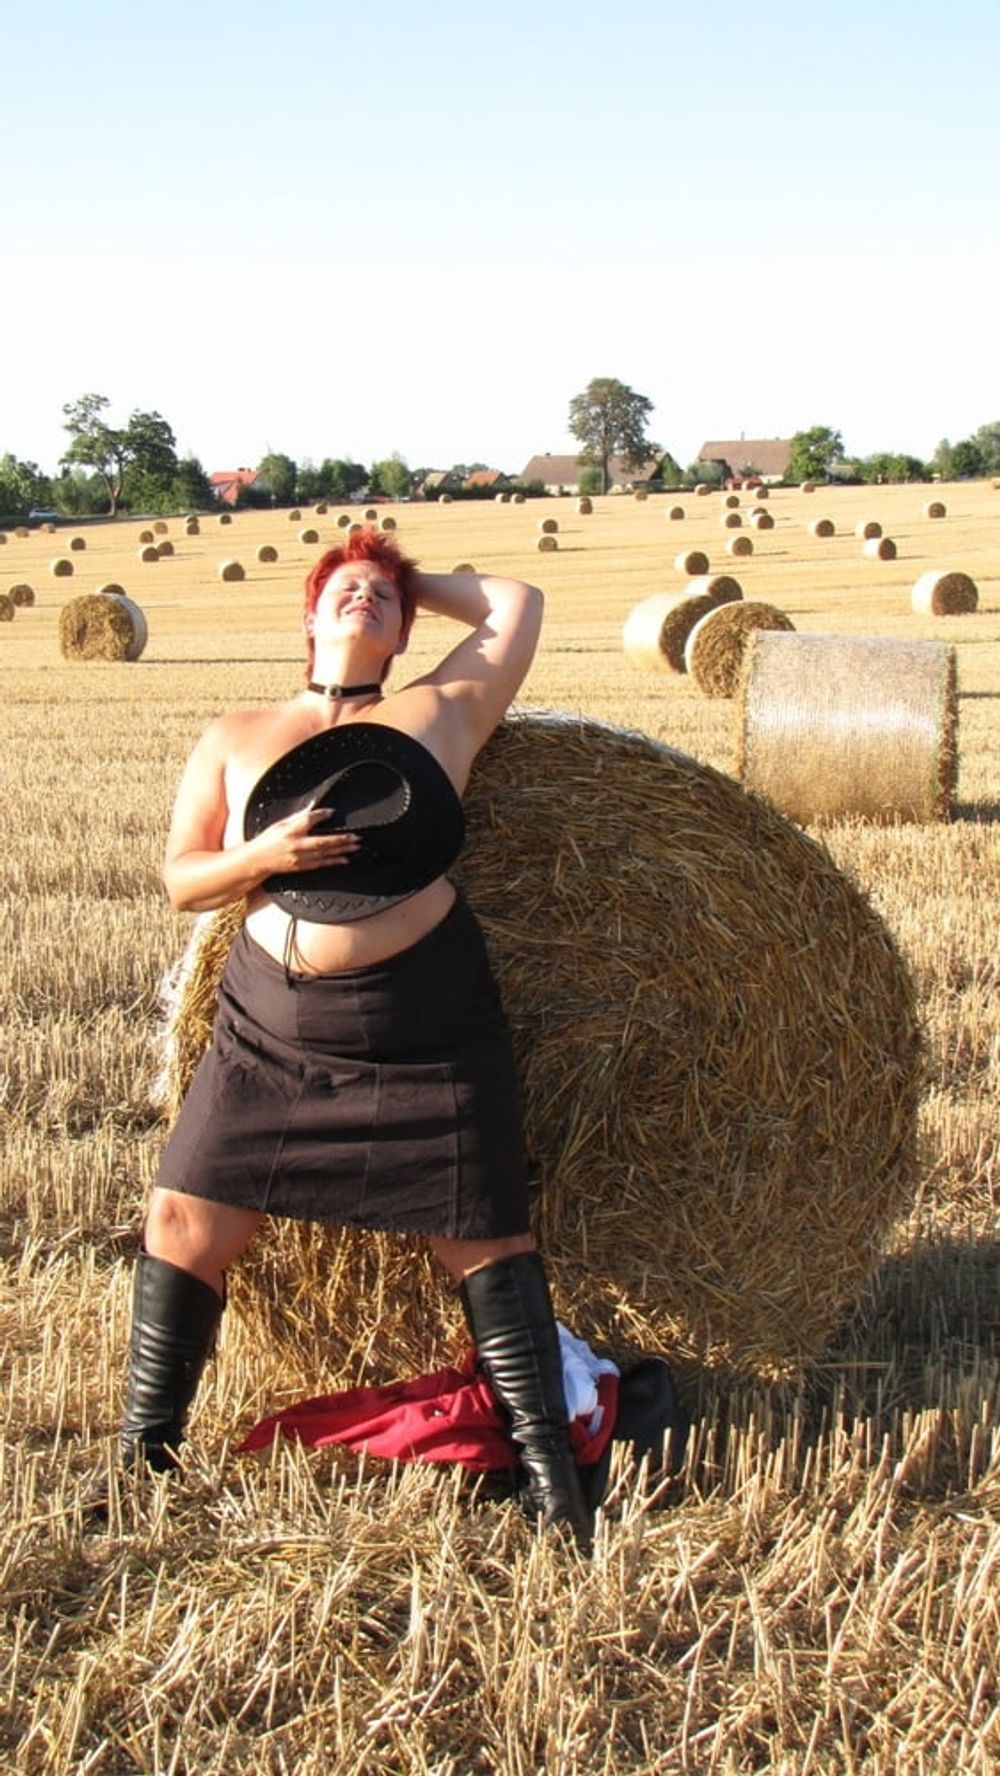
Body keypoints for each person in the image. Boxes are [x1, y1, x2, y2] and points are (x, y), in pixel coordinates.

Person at [121, 526, 593, 1545]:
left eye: (381, 596)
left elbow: (516, 600)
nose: (361, 599)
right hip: (267, 1026)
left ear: (407, 621)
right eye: (340, 590)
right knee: (180, 1226)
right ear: (305, 614)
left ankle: (554, 1482)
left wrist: (401, 570)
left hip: (424, 1019)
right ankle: (143, 1457)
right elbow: (178, 881)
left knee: (485, 1240)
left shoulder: (442, 708)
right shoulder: (236, 734)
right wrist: (264, 853)